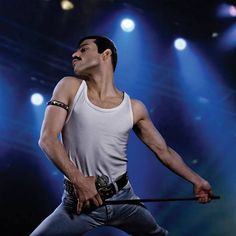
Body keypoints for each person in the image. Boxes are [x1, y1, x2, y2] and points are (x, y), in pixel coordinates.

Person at [30, 35, 213, 236]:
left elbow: (164, 151)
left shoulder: (135, 108)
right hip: (80, 203)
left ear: (105, 54)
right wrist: (80, 181)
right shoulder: (69, 86)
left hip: (123, 199)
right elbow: (47, 139)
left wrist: (197, 180)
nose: (74, 54)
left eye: (83, 49)